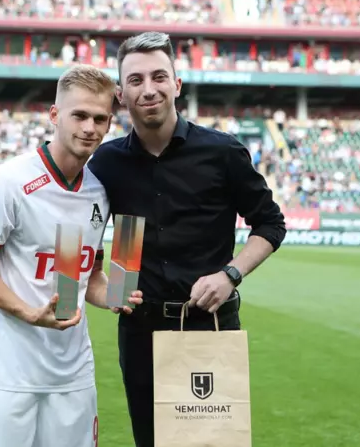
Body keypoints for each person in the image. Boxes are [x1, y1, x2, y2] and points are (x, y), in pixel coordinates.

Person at [87, 32, 287, 447]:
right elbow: (83, 231)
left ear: (177, 84)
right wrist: (107, 287)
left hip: (208, 324)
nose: (149, 89)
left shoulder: (223, 152)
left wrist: (230, 274)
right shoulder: (106, 162)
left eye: (159, 76)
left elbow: (270, 224)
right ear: (121, 95)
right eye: (136, 80)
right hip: (140, 331)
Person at [0, 64, 143, 447]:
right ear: (55, 115)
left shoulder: (99, 192)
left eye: (99, 119)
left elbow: (87, 277)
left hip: (72, 377)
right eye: (79, 115)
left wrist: (115, 295)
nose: (89, 128)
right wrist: (29, 313)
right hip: (6, 376)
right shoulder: (9, 181)